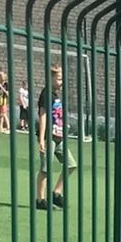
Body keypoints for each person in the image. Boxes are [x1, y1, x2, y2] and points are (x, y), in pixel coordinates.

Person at [36, 64, 77, 209]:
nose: (61, 81)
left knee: (71, 165)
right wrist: (41, 138)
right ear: (50, 78)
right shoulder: (46, 94)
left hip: (59, 137)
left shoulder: (55, 95)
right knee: (45, 169)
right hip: (49, 137)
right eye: (59, 78)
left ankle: (56, 193)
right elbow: (43, 116)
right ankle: (40, 200)